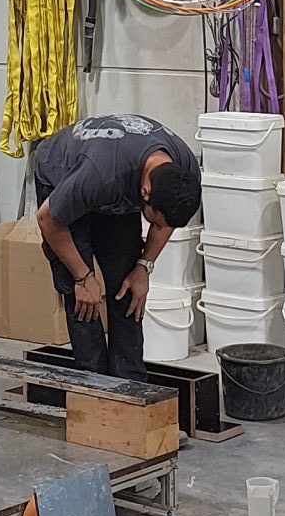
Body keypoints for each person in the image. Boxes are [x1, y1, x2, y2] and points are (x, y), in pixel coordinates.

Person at [34, 113, 202, 377]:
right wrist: (83, 277)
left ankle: (131, 382)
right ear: (145, 192)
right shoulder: (101, 174)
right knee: (84, 298)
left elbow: (167, 221)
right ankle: (93, 381)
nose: (158, 228)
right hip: (63, 176)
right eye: (154, 222)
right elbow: (47, 220)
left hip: (114, 186)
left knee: (128, 289)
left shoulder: (185, 171)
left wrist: (144, 267)